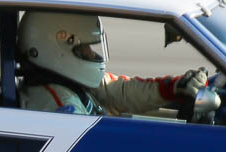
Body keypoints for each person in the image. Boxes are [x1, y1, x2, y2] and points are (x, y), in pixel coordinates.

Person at [16, 10, 207, 116]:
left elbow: (121, 90)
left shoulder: (68, 82)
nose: (92, 54)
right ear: (57, 47)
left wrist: (174, 86)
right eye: (84, 48)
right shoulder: (58, 106)